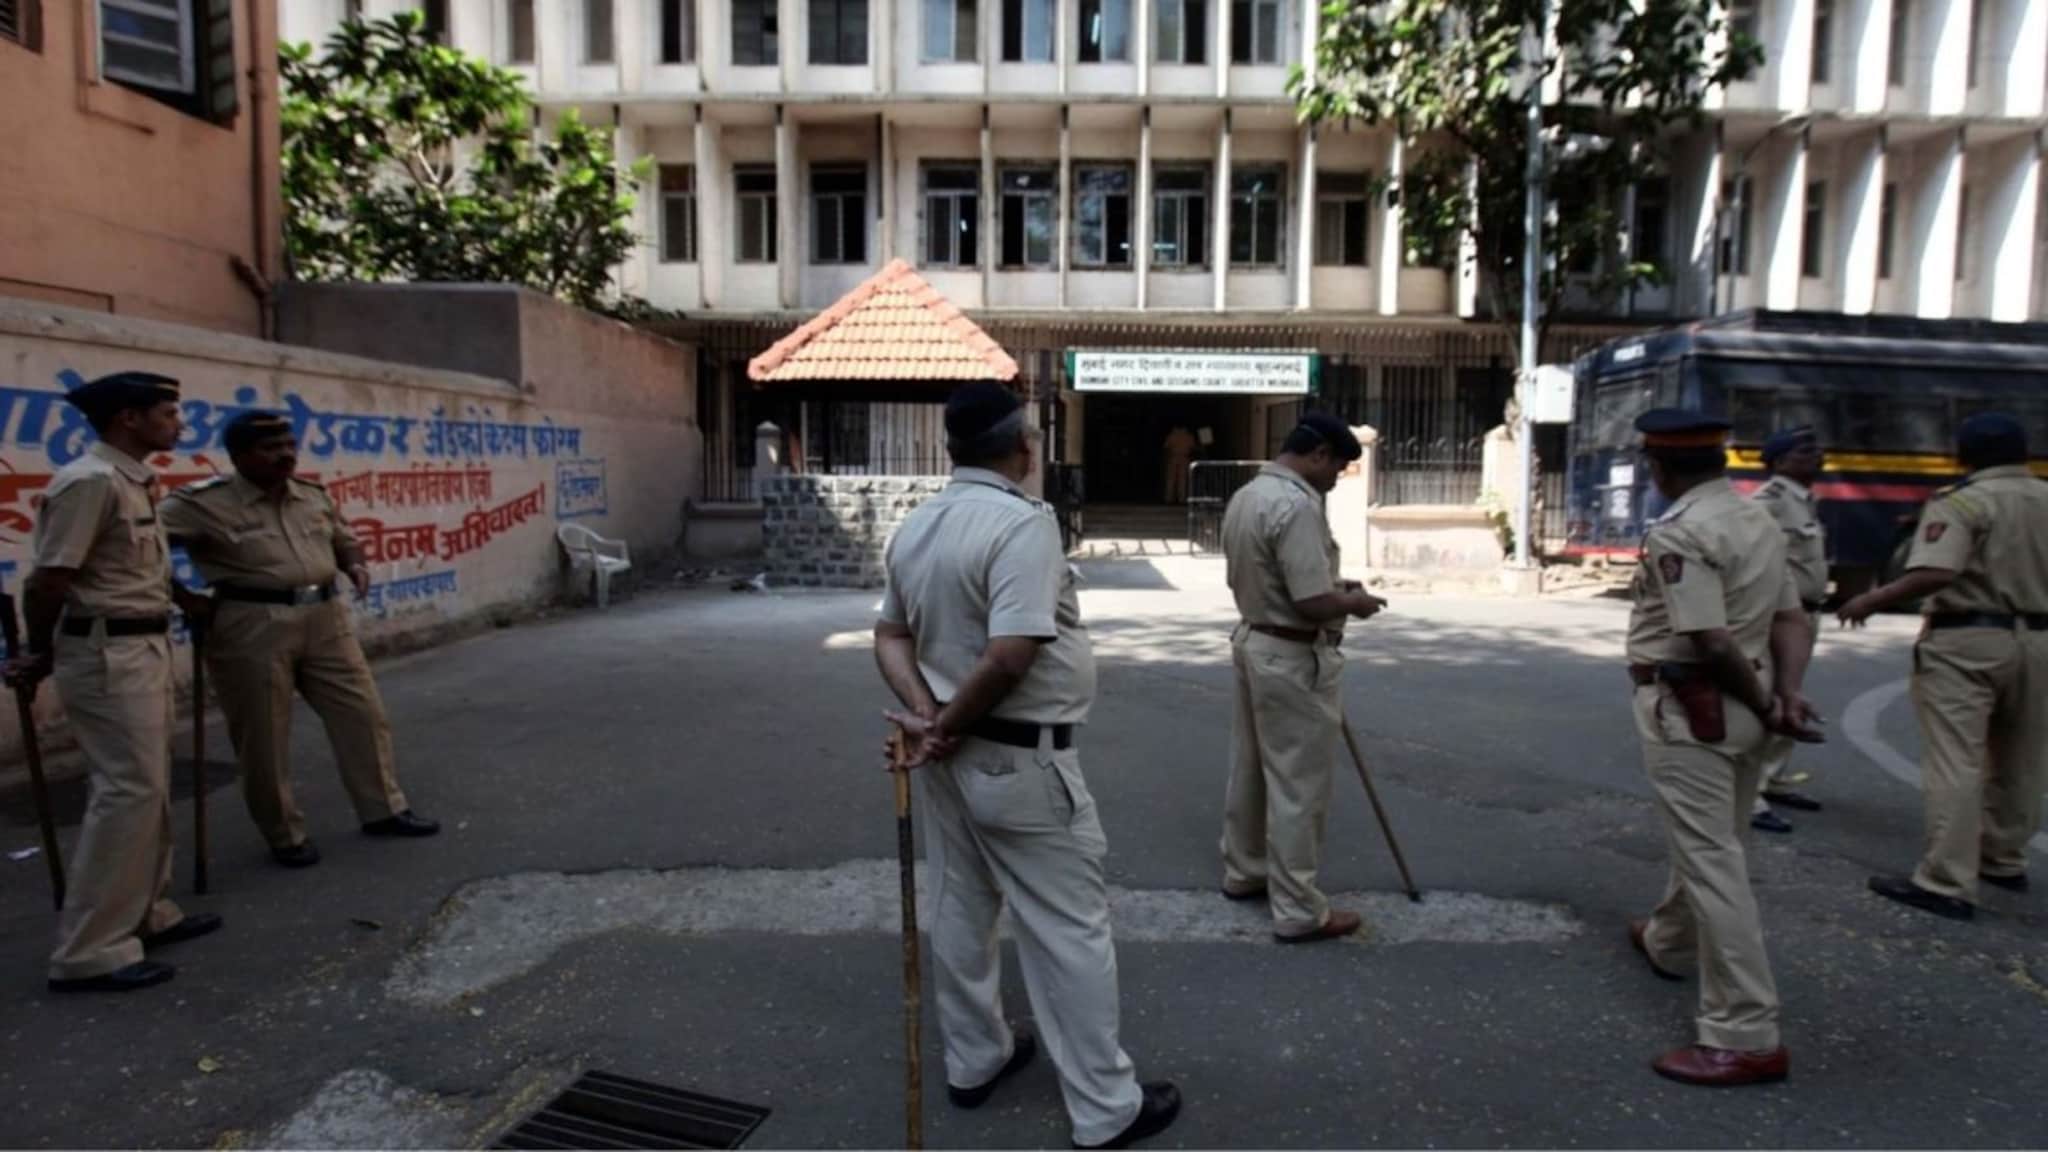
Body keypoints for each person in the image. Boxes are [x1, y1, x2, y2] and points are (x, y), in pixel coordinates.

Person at [874, 383, 1179, 1151]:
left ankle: (977, 1060)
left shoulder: (918, 525)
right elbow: (1011, 653)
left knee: (960, 910)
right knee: (1069, 930)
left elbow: (890, 637)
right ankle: (1106, 1108)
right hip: (1016, 762)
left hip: (950, 760)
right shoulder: (1023, 525)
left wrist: (926, 717)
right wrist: (938, 721)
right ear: (1024, 447)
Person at [3, 372, 221, 993]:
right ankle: (89, 949)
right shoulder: (89, 482)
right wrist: (37, 652)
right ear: (129, 418)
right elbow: (49, 580)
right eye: (169, 414)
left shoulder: (136, 480)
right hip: (105, 653)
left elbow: (131, 567)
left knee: (149, 787)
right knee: (126, 791)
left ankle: (146, 912)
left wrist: (183, 599)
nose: (180, 425)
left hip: (141, 642)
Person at [1622, 409, 1821, 1087]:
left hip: (1695, 708)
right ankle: (1670, 939)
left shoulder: (1682, 530)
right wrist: (1785, 695)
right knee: (1716, 839)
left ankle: (1744, 1032)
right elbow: (1791, 616)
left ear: (1658, 468)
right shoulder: (1755, 519)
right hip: (1748, 704)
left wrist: (1771, 703)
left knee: (1713, 861)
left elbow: (1707, 637)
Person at [159, 412, 438, 869]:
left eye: (289, 444)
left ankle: (384, 809)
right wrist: (183, 598)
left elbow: (342, 537)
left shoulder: (310, 495)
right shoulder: (201, 504)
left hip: (326, 617)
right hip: (251, 622)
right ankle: (283, 833)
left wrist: (355, 563)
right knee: (264, 735)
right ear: (239, 456)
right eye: (270, 448)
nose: (285, 454)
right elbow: (136, 548)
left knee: (362, 715)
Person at [1839, 412, 2048, 921]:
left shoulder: (1962, 502)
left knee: (1957, 760)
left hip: (1968, 640)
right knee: (2023, 757)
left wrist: (1871, 600)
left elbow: (1935, 569)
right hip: (2040, 639)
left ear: (1964, 455)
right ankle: (2003, 858)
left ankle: (1947, 881)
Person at [1218, 412, 1385, 943]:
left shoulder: (1250, 494)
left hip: (1254, 640)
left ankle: (1245, 871)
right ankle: (1297, 908)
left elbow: (1277, 575)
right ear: (1317, 456)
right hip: (1292, 654)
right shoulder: (1296, 506)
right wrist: (1352, 603)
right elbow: (1311, 600)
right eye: (1337, 467)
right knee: (1297, 784)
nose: (1336, 478)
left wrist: (1336, 588)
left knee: (1250, 769)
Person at [1747, 426, 1829, 834]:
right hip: (1781, 616)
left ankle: (1773, 777)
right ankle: (1751, 794)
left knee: (1790, 696)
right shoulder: (1769, 503)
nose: (1817, 456)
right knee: (1771, 697)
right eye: (1805, 451)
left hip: (1806, 614)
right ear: (1779, 462)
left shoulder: (1803, 501)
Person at [1161, 426, 1197, 505]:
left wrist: (1165, 460)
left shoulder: (1171, 435)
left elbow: (1166, 448)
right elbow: (1193, 448)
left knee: (1170, 479)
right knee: (1182, 480)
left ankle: (1169, 498)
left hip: (1173, 458)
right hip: (1184, 458)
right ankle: (1181, 499)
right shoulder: (1188, 436)